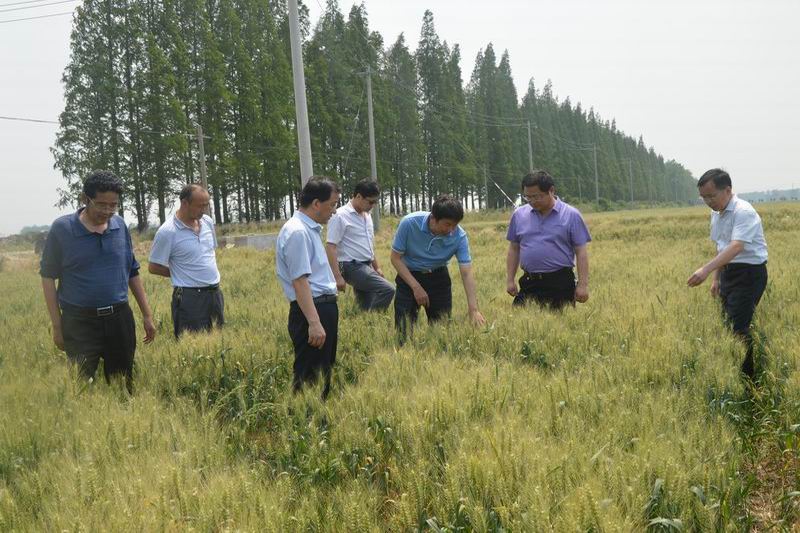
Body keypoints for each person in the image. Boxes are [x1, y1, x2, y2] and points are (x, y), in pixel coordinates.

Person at [40, 170, 156, 392]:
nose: (108, 211)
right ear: (85, 199)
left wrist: (147, 315)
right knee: (80, 387)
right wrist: (57, 326)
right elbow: (47, 278)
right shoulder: (62, 229)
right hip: (79, 322)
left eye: (113, 205)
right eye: (102, 205)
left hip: (119, 319)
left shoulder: (119, 226)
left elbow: (132, 271)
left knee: (123, 385)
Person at [688, 168, 768, 378]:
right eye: (704, 197)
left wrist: (706, 269)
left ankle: (749, 379)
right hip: (728, 273)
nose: (708, 201)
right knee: (728, 323)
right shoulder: (716, 213)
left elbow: (736, 247)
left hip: (749, 273)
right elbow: (721, 247)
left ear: (728, 190)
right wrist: (716, 279)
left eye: (711, 196)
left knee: (738, 327)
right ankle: (734, 369)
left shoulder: (744, 211)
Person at [276, 177, 341, 399]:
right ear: (316, 203)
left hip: (321, 308)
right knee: (309, 376)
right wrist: (314, 322)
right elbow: (300, 281)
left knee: (322, 371)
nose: (334, 211)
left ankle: (317, 415)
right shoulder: (298, 232)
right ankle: (304, 418)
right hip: (312, 310)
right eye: (332, 204)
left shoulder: (308, 229)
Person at [390, 195, 486, 339]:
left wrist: (473, 310)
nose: (451, 230)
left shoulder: (459, 236)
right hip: (408, 276)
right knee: (403, 330)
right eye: (447, 224)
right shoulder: (409, 223)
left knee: (441, 332)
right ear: (433, 218)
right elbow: (395, 258)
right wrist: (416, 287)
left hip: (438, 278)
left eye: (455, 225)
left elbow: (466, 273)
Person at [506, 171, 591, 309]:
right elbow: (514, 249)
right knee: (519, 319)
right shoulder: (519, 215)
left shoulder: (571, 215)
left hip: (560, 282)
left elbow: (581, 252)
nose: (532, 201)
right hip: (529, 282)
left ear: (551, 190)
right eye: (528, 197)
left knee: (560, 321)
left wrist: (583, 285)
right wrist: (510, 280)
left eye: (537, 196)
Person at [149, 184, 224, 338]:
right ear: (184, 203)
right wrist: (180, 273)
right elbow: (153, 267)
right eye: (200, 206)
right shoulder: (167, 232)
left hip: (215, 294)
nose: (204, 210)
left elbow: (209, 253)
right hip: (190, 298)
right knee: (192, 344)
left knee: (218, 342)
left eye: (206, 205)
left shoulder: (207, 222)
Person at [325, 179, 395, 311]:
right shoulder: (340, 215)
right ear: (358, 196)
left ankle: (367, 321)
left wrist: (377, 267)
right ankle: (374, 318)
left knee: (364, 306)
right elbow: (331, 246)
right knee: (388, 289)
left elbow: (368, 245)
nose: (373, 205)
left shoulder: (367, 216)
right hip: (350, 266)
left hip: (366, 265)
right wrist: (337, 276)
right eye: (370, 202)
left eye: (375, 202)